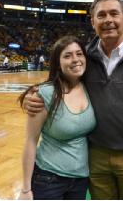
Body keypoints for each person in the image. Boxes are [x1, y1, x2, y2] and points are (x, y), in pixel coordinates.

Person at [23, 0, 123, 199]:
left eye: (114, 14)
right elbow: (63, 81)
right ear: (92, 21)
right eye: (101, 15)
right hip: (96, 156)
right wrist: (33, 95)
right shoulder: (86, 57)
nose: (108, 20)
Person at [18, 36, 96, 200]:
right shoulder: (46, 94)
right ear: (58, 64)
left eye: (79, 54)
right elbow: (31, 140)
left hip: (81, 179)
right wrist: (25, 189)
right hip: (48, 179)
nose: (75, 60)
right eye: (67, 56)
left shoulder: (90, 86)